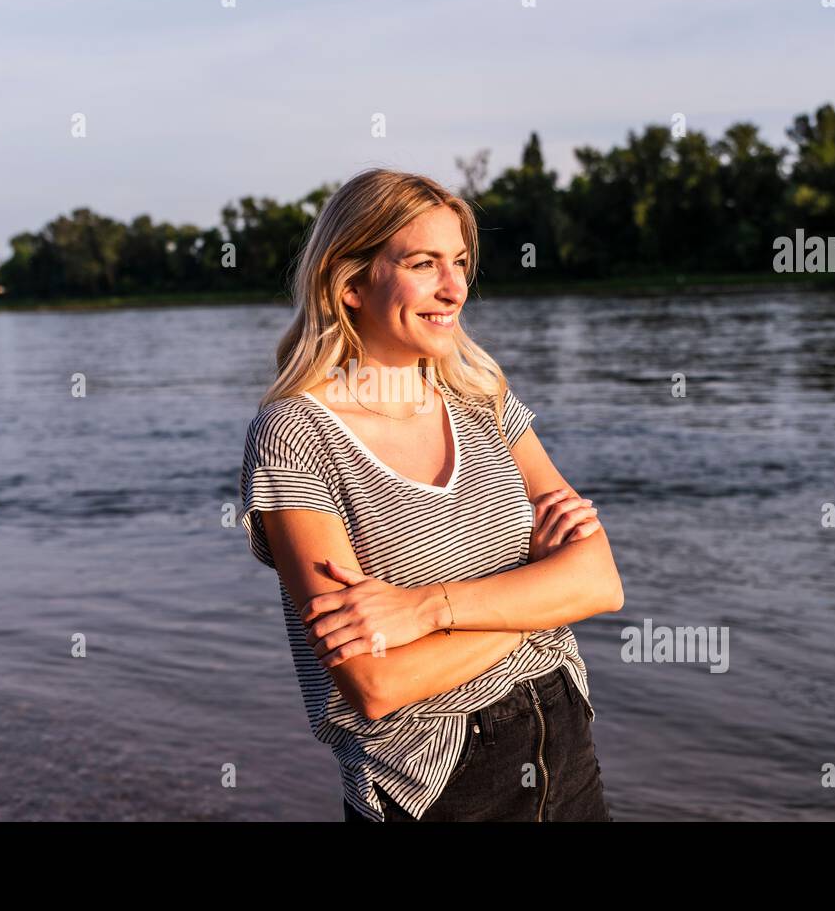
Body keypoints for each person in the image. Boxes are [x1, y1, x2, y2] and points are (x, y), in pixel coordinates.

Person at [239, 167, 625, 821]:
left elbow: (601, 581)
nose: (454, 288)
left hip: (564, 740)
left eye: (461, 263)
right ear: (350, 281)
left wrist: (424, 611)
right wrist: (541, 593)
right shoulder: (294, 435)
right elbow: (377, 682)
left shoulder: (482, 400)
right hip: (438, 781)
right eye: (424, 263)